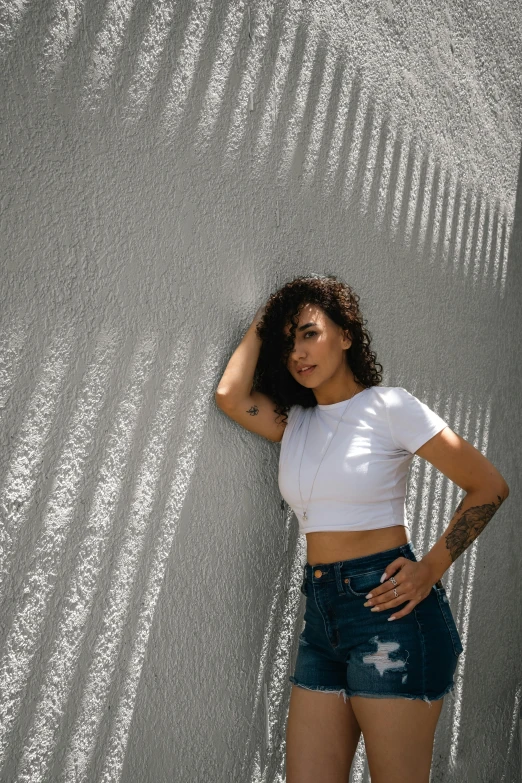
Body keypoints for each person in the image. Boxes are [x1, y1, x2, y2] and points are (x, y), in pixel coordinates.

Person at [214, 274, 509, 783]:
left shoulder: (389, 407)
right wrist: (269, 317)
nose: (299, 352)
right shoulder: (296, 422)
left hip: (389, 613)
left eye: (310, 332)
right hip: (322, 618)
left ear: (346, 334)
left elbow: (489, 486)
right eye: (289, 342)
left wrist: (430, 568)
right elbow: (229, 394)